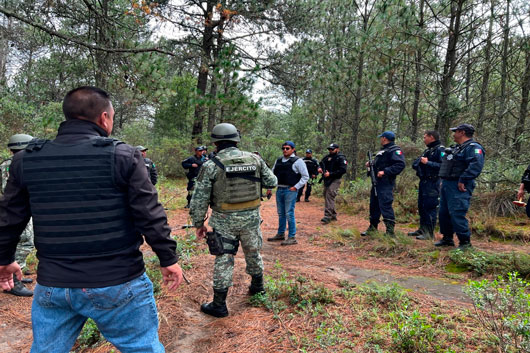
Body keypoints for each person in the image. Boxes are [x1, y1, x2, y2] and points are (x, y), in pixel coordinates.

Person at [0, 86, 183, 353]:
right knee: (142, 348)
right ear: (104, 118)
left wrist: (4, 259)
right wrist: (168, 258)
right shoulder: (124, 156)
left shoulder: (26, 160)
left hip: (54, 284)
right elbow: (149, 214)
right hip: (119, 281)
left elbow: (9, 218)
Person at [189, 123, 277, 317]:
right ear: (237, 139)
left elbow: (199, 198)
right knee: (253, 252)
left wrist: (198, 223)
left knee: (224, 258)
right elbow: (272, 182)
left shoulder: (212, 165)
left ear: (215, 143)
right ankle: (258, 288)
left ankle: (219, 305)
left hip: (223, 220)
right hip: (251, 218)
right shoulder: (255, 159)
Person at [436, 124, 485, 249]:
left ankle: (465, 242)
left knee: (457, 212)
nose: (453, 134)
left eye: (455, 131)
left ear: (462, 133)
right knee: (443, 213)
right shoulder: (458, 148)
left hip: (460, 185)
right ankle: (447, 238)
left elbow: (476, 165)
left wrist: (463, 179)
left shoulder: (473, 148)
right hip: (448, 183)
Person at [1, 133, 35, 297]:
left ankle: (17, 269)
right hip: (16, 209)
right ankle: (13, 279)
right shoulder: (19, 164)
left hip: (10, 209)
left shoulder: (7, 164)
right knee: (26, 241)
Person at [361, 131, 405, 237]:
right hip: (376, 182)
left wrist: (385, 171)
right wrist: (370, 165)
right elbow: (378, 165)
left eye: (381, 138)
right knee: (374, 205)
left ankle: (390, 232)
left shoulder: (395, 150)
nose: (380, 140)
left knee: (385, 205)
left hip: (386, 183)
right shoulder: (382, 151)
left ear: (385, 139)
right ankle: (373, 227)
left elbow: (400, 164)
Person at [267, 141, 309, 245]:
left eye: (287, 148)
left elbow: (305, 176)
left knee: (289, 213)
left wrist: (296, 187)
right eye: (283, 148)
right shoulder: (279, 161)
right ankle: (281, 234)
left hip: (290, 190)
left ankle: (292, 237)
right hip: (279, 189)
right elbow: (272, 175)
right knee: (281, 213)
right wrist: (270, 188)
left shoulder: (298, 161)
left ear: (293, 149)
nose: (285, 150)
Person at [409, 131, 445, 240]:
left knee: (430, 207)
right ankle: (422, 229)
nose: (423, 139)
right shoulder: (428, 150)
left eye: (425, 137)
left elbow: (443, 166)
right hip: (424, 181)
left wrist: (427, 163)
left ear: (432, 137)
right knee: (422, 206)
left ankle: (429, 233)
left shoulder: (440, 150)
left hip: (433, 182)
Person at [318, 144, 347, 223]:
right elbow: (320, 163)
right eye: (329, 149)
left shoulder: (341, 158)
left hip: (335, 179)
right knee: (326, 195)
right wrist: (319, 168)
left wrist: (331, 174)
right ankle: (333, 215)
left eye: (332, 149)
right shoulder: (327, 157)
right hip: (327, 180)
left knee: (330, 195)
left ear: (337, 149)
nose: (330, 151)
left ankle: (328, 216)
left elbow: (343, 170)